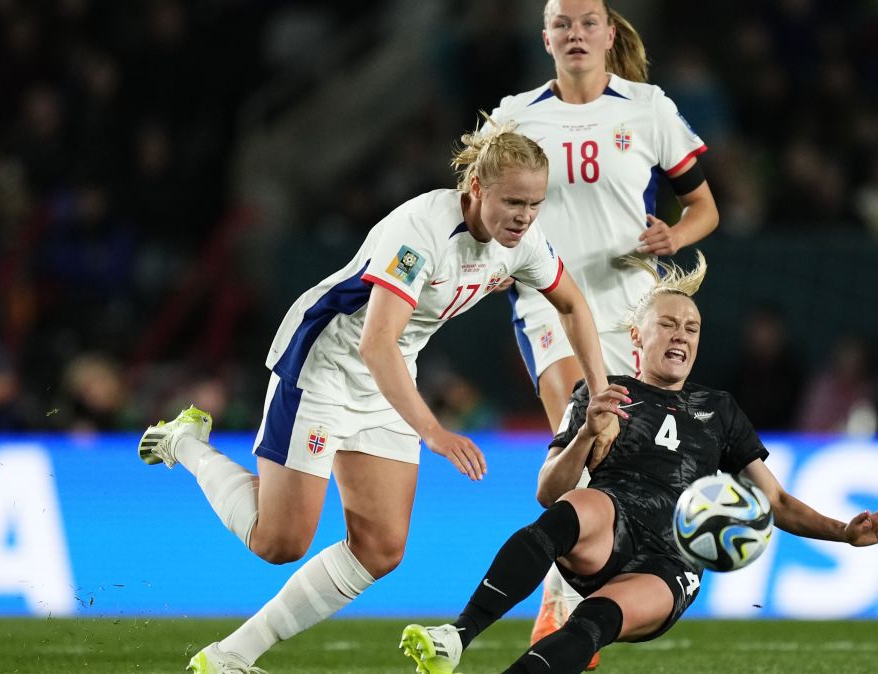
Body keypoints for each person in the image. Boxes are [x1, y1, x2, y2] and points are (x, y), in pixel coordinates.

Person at [136, 120, 612, 674]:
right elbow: (376, 342)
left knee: (381, 546)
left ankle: (230, 657)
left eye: (535, 203)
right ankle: (187, 444)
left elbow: (574, 305)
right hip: (325, 365)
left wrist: (601, 396)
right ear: (476, 187)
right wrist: (433, 430)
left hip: (387, 376)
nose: (525, 216)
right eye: (513, 202)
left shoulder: (522, 241)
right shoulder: (422, 228)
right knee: (279, 542)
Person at [400, 253, 878, 674]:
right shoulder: (603, 394)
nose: (681, 335)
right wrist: (586, 433)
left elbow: (774, 501)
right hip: (611, 521)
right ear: (636, 338)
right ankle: (457, 635)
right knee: (568, 512)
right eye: (667, 323)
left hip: (674, 558)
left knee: (593, 622)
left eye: (691, 327)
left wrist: (844, 531)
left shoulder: (719, 410)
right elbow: (547, 491)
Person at [488, 0, 720, 659]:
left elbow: (705, 206)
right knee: (583, 437)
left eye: (588, 21)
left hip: (632, 308)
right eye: (562, 23)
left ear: (609, 33)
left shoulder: (647, 109)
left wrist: (674, 233)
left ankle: (580, 608)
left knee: (622, 462)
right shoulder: (516, 114)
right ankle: (560, 618)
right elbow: (481, 203)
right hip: (548, 302)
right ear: (545, 38)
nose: (576, 33)